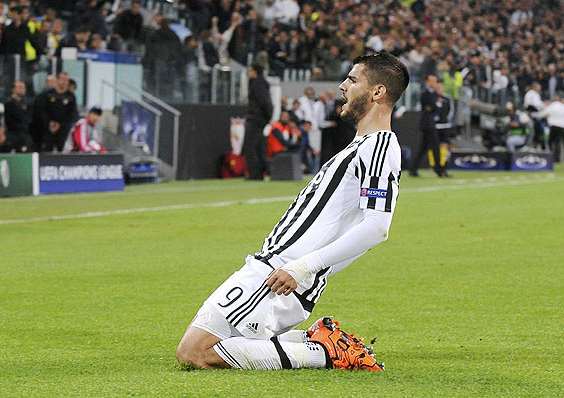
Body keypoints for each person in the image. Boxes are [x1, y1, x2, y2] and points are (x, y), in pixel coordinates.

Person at [176, 51, 409, 372]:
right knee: (201, 347)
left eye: (353, 80)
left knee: (195, 352)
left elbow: (376, 228)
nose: (343, 86)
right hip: (275, 268)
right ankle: (320, 343)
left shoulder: (379, 147)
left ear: (378, 92)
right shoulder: (361, 145)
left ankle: (325, 354)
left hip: (282, 273)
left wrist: (304, 268)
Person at [242, 62, 273, 180]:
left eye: (250, 70)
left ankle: (254, 174)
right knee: (259, 146)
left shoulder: (258, 84)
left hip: (256, 118)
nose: (249, 73)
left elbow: (264, 101)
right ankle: (261, 172)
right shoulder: (259, 83)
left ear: (255, 71)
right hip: (259, 118)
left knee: (250, 146)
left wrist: (267, 115)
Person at [410, 74, 444, 177]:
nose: (435, 83)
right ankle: (439, 170)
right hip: (427, 124)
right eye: (432, 81)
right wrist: (436, 104)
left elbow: (433, 108)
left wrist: (435, 105)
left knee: (422, 148)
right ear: (427, 82)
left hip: (430, 123)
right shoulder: (425, 93)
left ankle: (413, 169)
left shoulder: (433, 94)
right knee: (435, 146)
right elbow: (432, 107)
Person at [41, 72, 78, 152]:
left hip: (63, 129)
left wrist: (60, 124)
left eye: (66, 80)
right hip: (49, 128)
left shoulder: (70, 96)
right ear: (58, 80)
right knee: (47, 149)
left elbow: (71, 114)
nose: (64, 82)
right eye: (62, 79)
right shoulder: (49, 94)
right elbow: (43, 110)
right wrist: (49, 123)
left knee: (61, 149)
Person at [535, 96, 564, 162]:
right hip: (561, 127)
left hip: (553, 127)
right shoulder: (563, 107)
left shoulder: (551, 106)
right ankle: (558, 159)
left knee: (550, 142)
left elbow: (541, 115)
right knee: (558, 143)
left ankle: (551, 158)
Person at [2, 80, 31, 152]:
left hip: (25, 135)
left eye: (24, 88)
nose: (22, 89)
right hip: (14, 135)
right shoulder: (9, 104)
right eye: (20, 87)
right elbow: (9, 122)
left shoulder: (26, 104)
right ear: (13, 89)